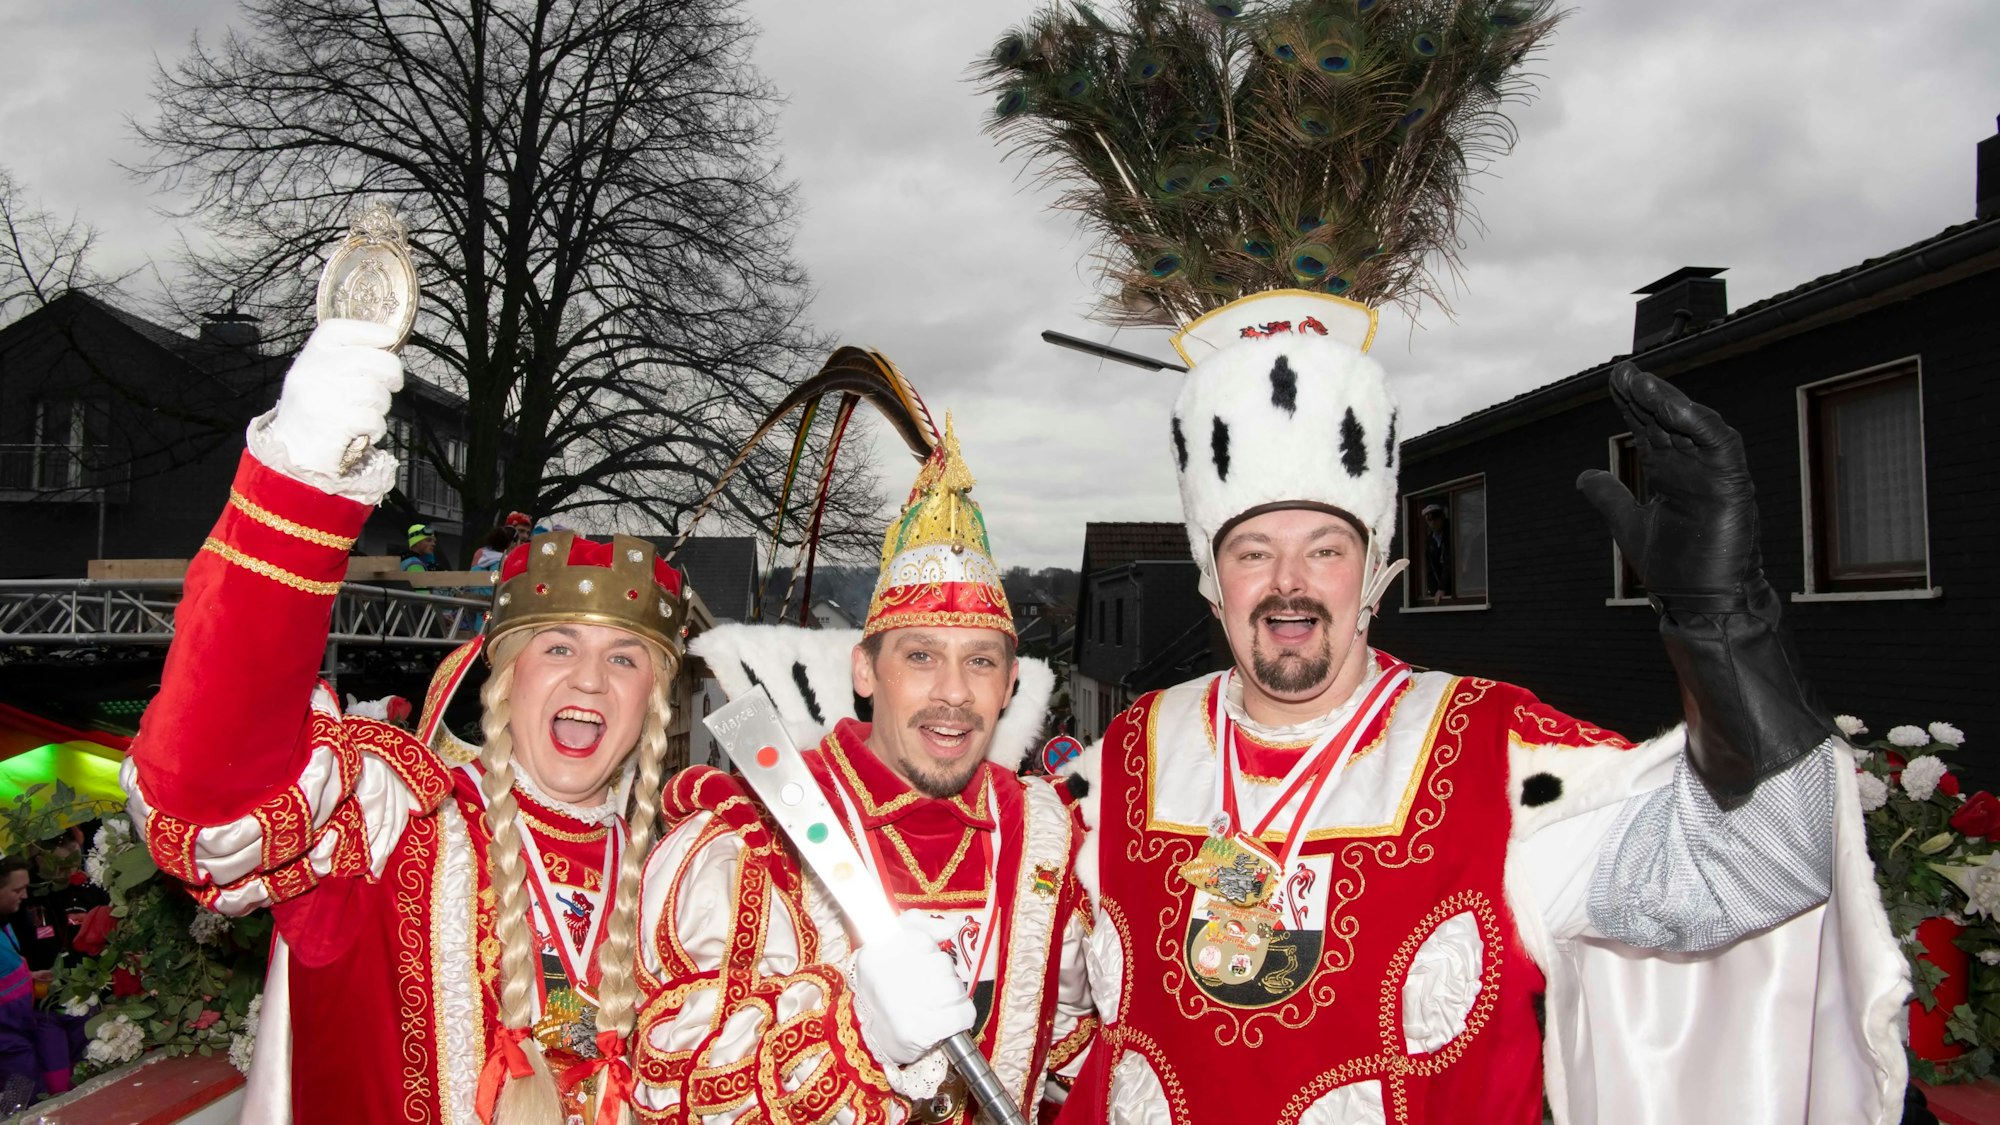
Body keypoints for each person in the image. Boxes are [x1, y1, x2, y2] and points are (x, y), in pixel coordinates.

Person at [1055, 291, 1906, 1124]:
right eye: (1253, 551)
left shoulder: (1497, 751)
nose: (1289, 584)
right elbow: (1020, 964)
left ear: (1375, 571)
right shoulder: (1126, 755)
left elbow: (1766, 867)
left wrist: (1721, 621)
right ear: (1213, 580)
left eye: (1325, 548)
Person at [121, 318, 688, 1123]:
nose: (592, 679)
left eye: (626, 659)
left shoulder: (686, 882)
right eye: (558, 647)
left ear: (654, 704)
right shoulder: (398, 821)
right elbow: (206, 791)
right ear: (501, 674)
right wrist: (297, 485)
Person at [630, 419, 1095, 1124]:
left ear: (1010, 685)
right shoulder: (751, 839)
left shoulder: (1049, 838)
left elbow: (1072, 1045)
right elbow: (675, 1082)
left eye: (980, 660)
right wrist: (856, 1036)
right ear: (864, 669)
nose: (953, 692)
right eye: (919, 656)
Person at [0, 855, 82, 1111]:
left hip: (20, 1037)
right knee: (18, 1107)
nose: (24, 896)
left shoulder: (5, 925)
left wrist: (29, 977)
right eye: (17, 889)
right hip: (8, 1047)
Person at [1420, 502, 1452, 603]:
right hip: (1440, 592)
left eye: (1435, 517)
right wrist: (1434, 592)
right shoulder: (1430, 542)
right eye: (1429, 519)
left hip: (1455, 587)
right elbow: (1430, 569)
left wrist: (1442, 588)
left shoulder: (1452, 534)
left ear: (1442, 517)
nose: (1433, 522)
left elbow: (1449, 562)